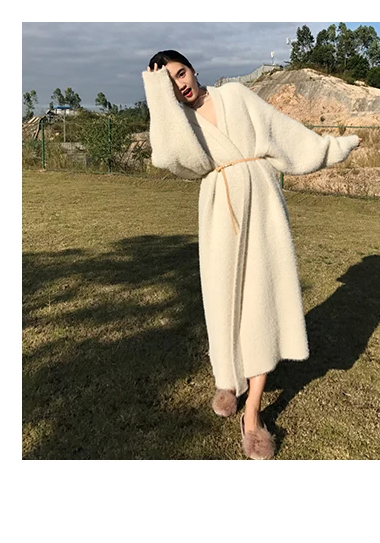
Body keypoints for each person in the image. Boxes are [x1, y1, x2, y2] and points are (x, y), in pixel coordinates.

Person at [142, 50, 361, 459]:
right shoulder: (179, 123)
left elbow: (281, 131)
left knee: (261, 302)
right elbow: (170, 158)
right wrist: (159, 96)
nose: (180, 84)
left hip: (261, 206)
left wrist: (329, 148)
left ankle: (253, 413)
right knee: (223, 300)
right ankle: (229, 379)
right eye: (168, 82)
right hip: (218, 216)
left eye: (181, 73)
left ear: (193, 69)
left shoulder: (236, 96)